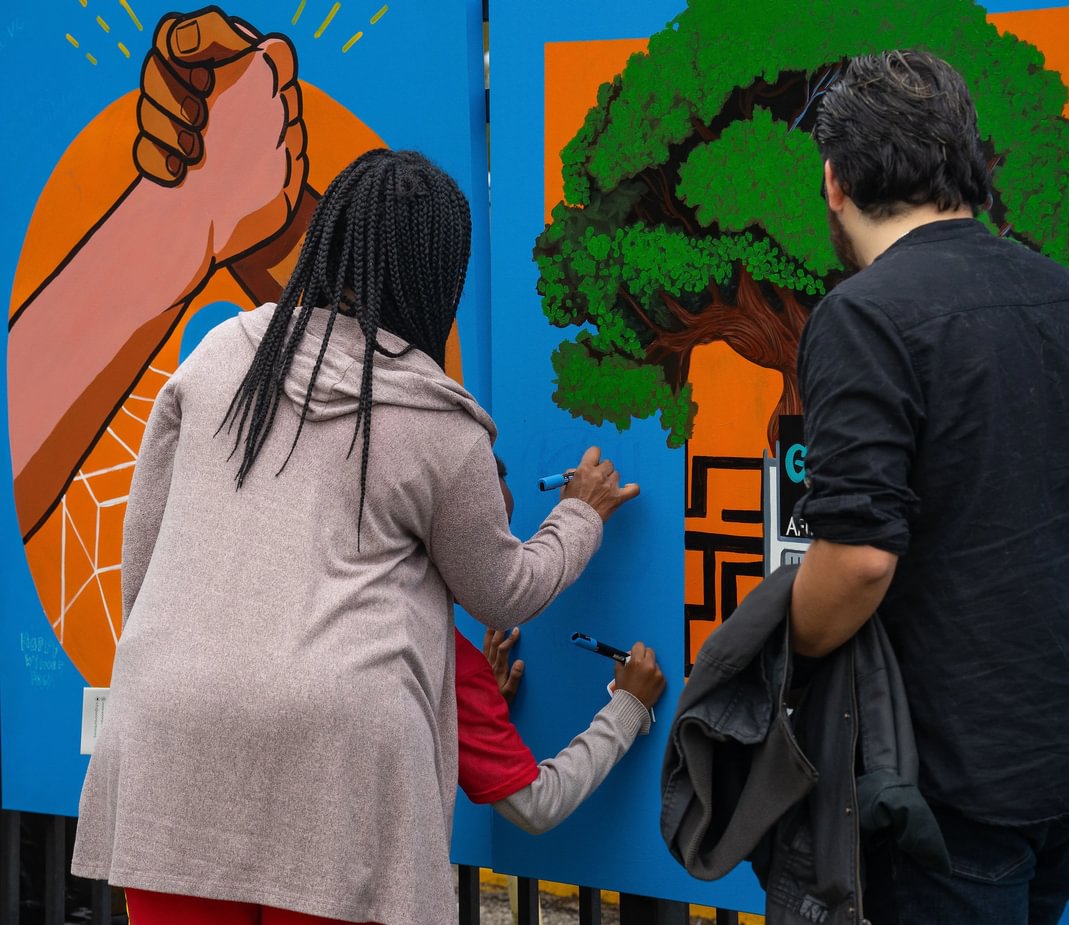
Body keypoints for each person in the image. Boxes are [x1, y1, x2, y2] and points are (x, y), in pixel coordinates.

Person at [70, 148, 640, 925]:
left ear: (325, 239)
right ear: (439, 274)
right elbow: (504, 589)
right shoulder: (437, 417)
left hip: (174, 735)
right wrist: (580, 515)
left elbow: (144, 550)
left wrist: (173, 660)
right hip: (335, 765)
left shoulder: (221, 355)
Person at [786, 51, 1069, 925]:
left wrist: (776, 645)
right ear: (971, 164)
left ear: (834, 181)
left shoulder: (864, 315)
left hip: (952, 785)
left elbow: (861, 559)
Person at [456, 459, 665, 834]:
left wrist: (460, 713)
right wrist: (629, 707)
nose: (508, 502)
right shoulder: (446, 665)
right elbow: (536, 804)